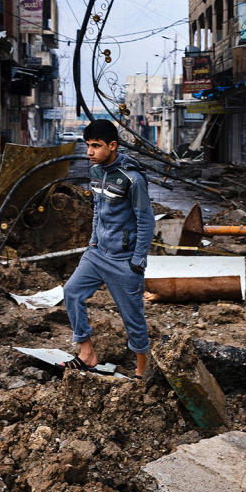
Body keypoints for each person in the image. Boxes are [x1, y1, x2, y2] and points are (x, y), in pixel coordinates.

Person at [60, 119, 154, 378]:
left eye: (96, 146)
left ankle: (141, 370)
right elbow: (98, 212)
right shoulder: (96, 172)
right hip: (97, 253)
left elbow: (146, 221)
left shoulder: (133, 180)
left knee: (132, 316)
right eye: (87, 145)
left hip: (124, 260)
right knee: (71, 292)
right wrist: (92, 241)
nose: (89, 152)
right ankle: (86, 353)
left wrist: (137, 261)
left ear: (112, 146)